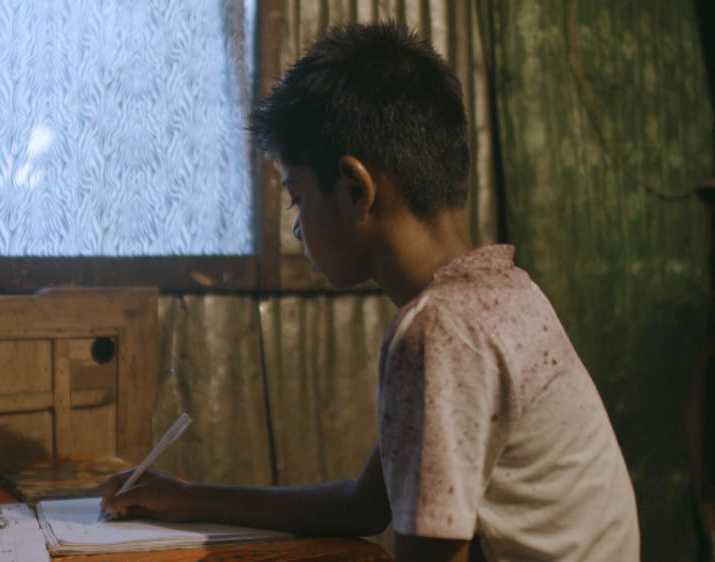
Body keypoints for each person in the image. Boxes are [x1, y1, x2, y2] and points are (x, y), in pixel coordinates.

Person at [102, 21, 639, 561]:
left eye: (297, 196)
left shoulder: (440, 329)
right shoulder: (505, 293)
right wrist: (190, 498)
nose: (296, 227)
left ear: (355, 188)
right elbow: (363, 506)